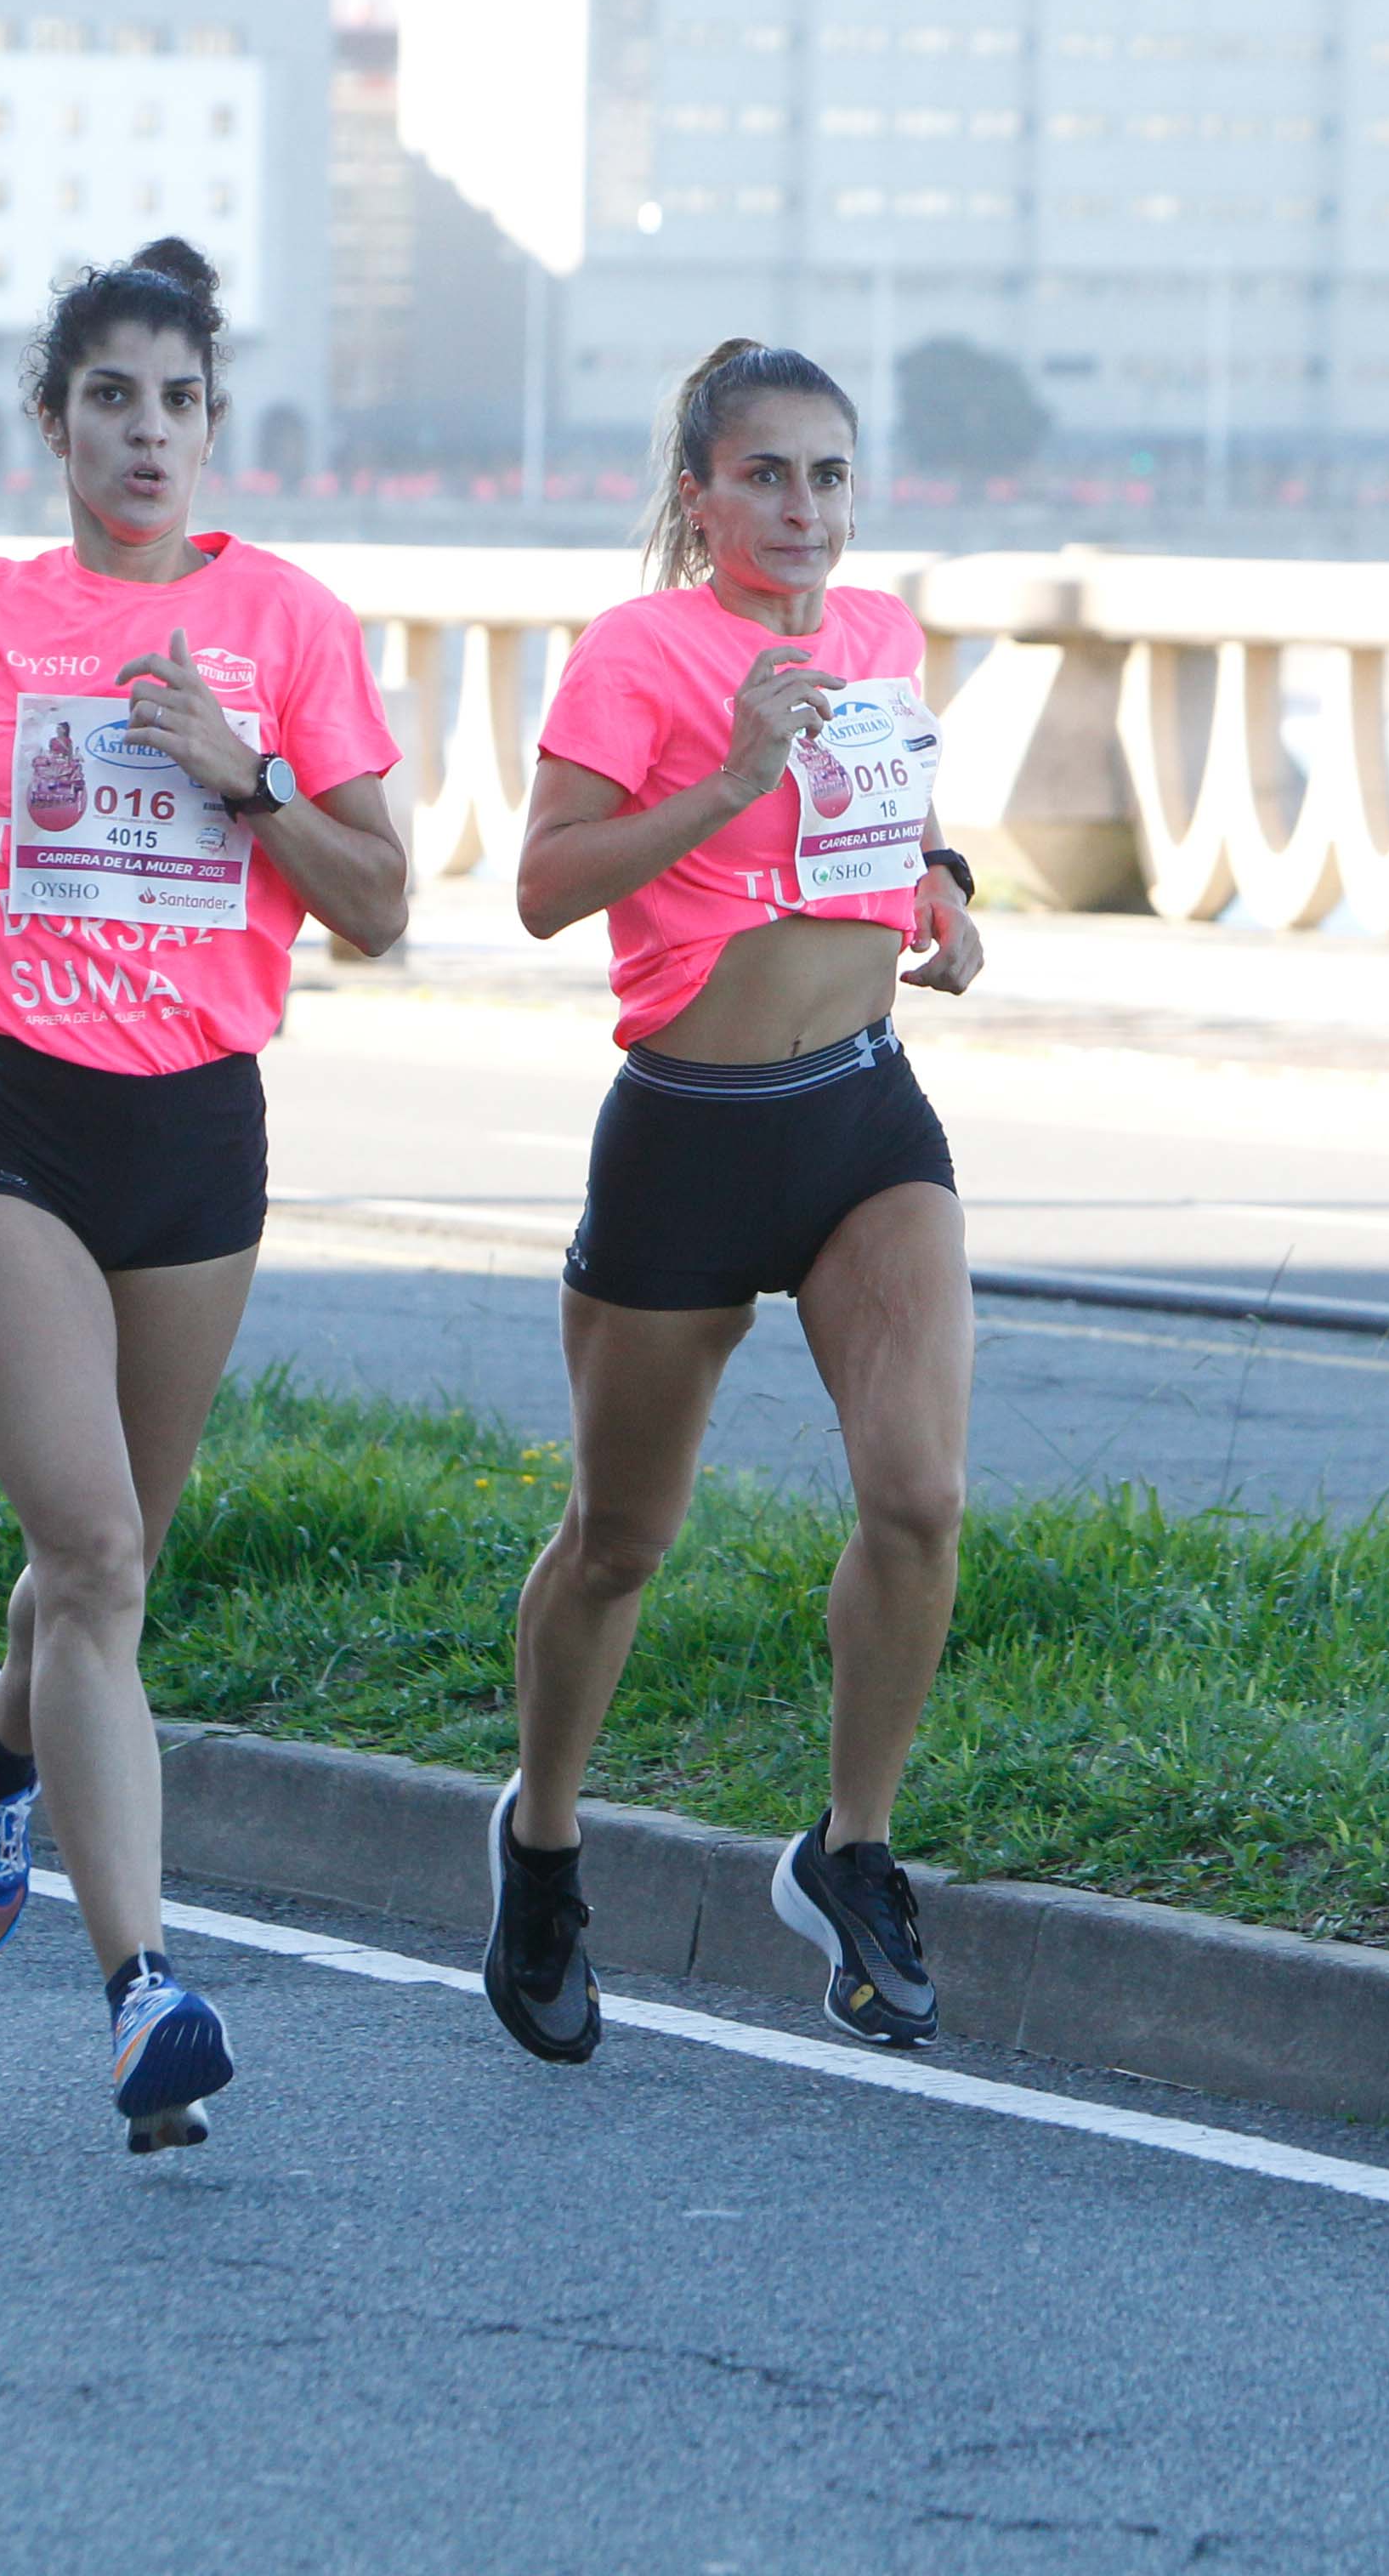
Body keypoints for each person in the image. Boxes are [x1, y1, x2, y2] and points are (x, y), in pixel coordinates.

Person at [0, 239, 408, 2154]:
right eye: (109, 400)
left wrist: (243, 781)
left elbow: (384, 908)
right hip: (6, 1118)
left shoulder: (290, 627)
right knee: (92, 1559)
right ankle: (143, 1990)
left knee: (107, 1575)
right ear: (55, 424)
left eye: (178, 403)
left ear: (215, 427)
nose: (146, 434)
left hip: (196, 1137)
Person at [480, 340, 986, 2066]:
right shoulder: (639, 653)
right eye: (767, 475)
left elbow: (893, 822)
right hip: (690, 1131)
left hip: (862, 1117)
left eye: (831, 475)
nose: (804, 509)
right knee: (620, 1541)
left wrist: (946, 894)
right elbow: (545, 888)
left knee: (918, 1495)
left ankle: (851, 1851)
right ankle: (543, 1846)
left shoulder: (880, 639)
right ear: (697, 496)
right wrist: (722, 780)